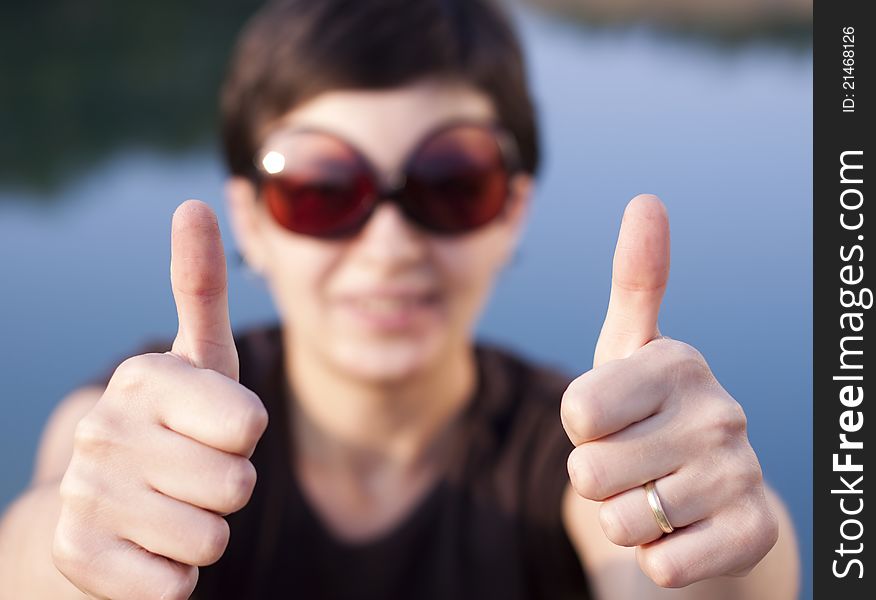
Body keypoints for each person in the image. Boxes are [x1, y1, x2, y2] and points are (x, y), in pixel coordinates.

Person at [0, 0, 800, 598]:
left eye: (451, 183)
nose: (389, 245)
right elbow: (45, 529)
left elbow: (678, 575)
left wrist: (706, 544)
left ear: (511, 208)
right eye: (320, 188)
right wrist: (81, 546)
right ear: (250, 216)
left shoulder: (588, 447)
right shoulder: (160, 427)